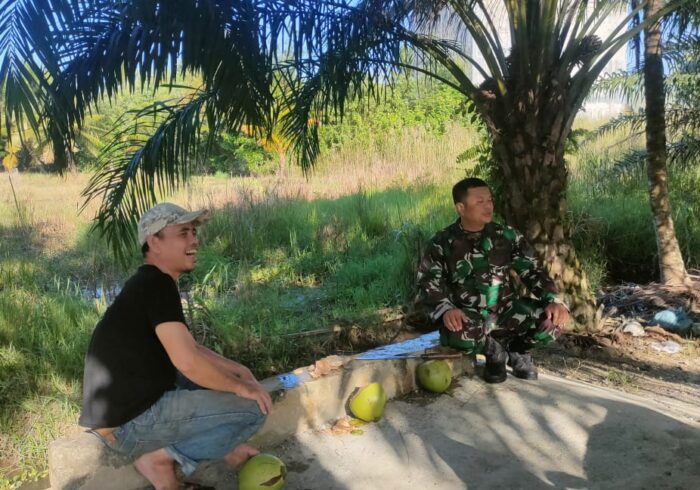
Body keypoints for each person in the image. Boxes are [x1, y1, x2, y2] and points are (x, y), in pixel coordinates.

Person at [79, 203, 273, 490]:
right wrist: (241, 387)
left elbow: (190, 349)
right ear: (154, 242)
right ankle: (159, 458)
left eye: (194, 232)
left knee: (222, 382)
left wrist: (238, 370)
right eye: (183, 233)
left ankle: (184, 459)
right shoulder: (157, 284)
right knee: (255, 407)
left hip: (128, 412)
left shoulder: (148, 282)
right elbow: (188, 362)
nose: (194, 240)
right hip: (130, 424)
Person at [415, 178, 570, 383]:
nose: (488, 206)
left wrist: (554, 300)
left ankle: (516, 350)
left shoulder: (507, 236)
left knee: (553, 321)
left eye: (489, 200)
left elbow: (533, 270)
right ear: (461, 208)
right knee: (457, 333)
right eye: (480, 202)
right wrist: (446, 309)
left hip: (507, 310)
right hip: (469, 316)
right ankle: (493, 351)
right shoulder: (442, 242)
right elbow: (428, 281)